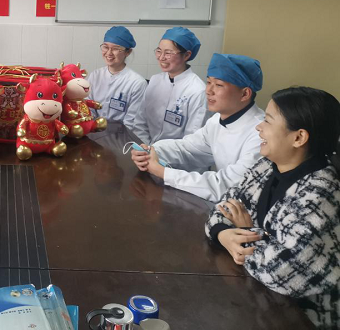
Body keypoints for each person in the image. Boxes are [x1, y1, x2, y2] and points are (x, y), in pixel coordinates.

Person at [205, 86, 340, 329]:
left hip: (302, 317)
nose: (259, 127)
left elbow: (279, 271)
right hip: (256, 294)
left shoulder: (320, 194)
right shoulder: (267, 166)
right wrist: (224, 234)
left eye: (268, 121)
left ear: (298, 138)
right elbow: (221, 209)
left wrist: (247, 232)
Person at [131, 53, 265, 202]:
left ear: (245, 94)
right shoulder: (216, 121)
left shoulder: (260, 134)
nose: (208, 91)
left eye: (219, 85)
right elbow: (187, 149)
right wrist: (152, 151)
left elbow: (226, 185)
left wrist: (163, 173)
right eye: (209, 82)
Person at [131, 27, 206, 145]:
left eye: (168, 53)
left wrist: (157, 152)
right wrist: (146, 147)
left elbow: (192, 139)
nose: (161, 57)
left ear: (186, 55)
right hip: (145, 149)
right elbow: (140, 121)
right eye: (159, 51)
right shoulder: (155, 80)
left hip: (176, 155)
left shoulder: (197, 90)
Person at [87, 26, 147, 131]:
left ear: (128, 52)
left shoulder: (137, 83)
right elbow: (88, 109)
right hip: (94, 132)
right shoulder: (95, 76)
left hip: (121, 135)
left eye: (115, 49)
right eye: (106, 47)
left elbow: (131, 121)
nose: (109, 53)